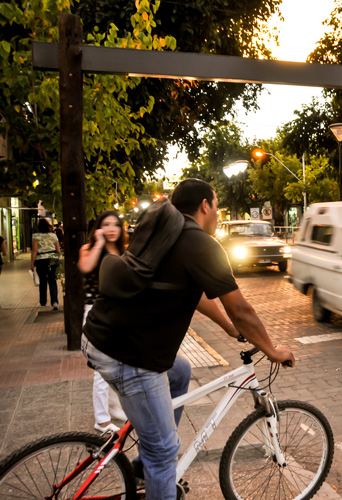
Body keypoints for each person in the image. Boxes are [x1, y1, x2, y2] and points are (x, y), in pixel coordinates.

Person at [82, 178, 295, 500]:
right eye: (218, 206)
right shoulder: (201, 243)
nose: (219, 214)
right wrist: (273, 350)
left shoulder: (165, 231)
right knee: (164, 451)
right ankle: (154, 462)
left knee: (180, 371)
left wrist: (227, 328)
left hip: (104, 335)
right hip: (129, 354)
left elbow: (197, 295)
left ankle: (143, 464)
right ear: (205, 205)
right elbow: (241, 309)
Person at [78, 211, 128, 433]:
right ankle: (102, 420)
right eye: (106, 224)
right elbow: (86, 267)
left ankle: (117, 410)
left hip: (118, 312)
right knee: (101, 369)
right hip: (96, 312)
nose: (111, 229)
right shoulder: (89, 249)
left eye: (115, 224)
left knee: (121, 363)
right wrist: (98, 243)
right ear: (98, 227)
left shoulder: (123, 252)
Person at [31, 218, 61, 310]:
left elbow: (34, 250)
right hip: (52, 260)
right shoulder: (53, 236)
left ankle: (43, 301)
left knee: (43, 281)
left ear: (38, 227)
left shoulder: (35, 236)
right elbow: (58, 250)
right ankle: (55, 302)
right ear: (48, 226)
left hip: (41, 260)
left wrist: (32, 263)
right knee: (52, 281)